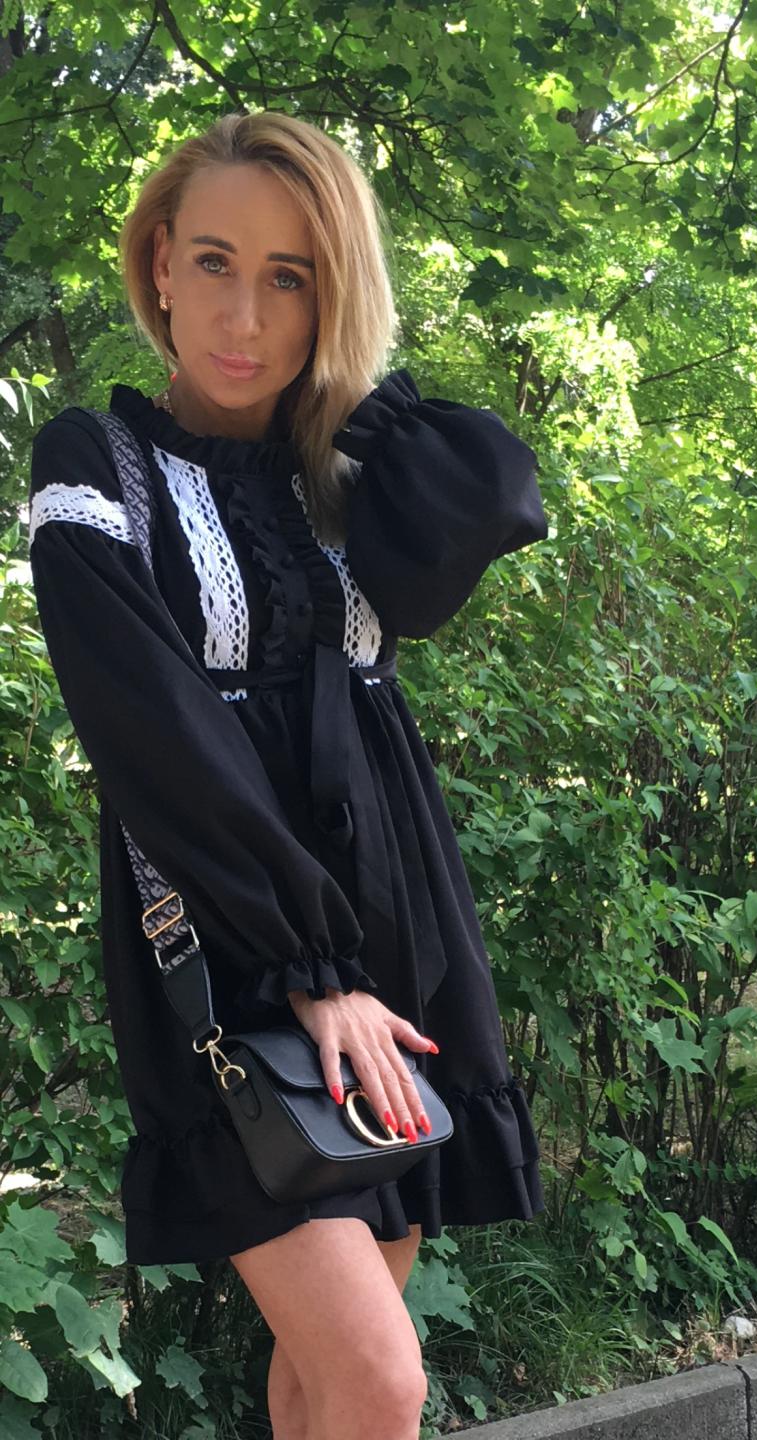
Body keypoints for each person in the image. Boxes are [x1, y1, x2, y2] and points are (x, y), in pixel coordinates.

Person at [28, 110, 549, 1440]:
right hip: (239, 936)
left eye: (290, 276)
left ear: (333, 294)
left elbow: (485, 507)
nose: (243, 316)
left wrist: (369, 407)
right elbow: (150, 729)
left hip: (396, 932)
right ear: (157, 264)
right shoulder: (96, 465)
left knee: (323, 1376)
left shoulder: (351, 474)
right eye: (213, 261)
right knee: (380, 1377)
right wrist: (311, 970)